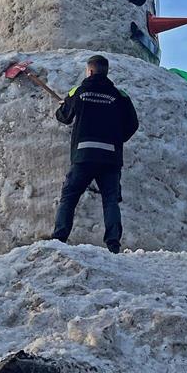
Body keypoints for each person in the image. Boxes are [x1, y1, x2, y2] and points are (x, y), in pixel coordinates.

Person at [51, 55, 139, 253]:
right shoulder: (120, 95)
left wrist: (64, 106)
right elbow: (133, 124)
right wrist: (117, 140)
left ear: (89, 71)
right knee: (110, 200)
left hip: (84, 155)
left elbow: (64, 117)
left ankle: (59, 238)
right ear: (105, 71)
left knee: (70, 197)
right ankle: (113, 243)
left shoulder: (79, 91)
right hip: (110, 157)